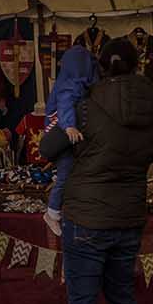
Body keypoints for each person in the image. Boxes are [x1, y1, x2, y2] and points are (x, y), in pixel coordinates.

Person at [39, 37, 153, 304]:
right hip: (130, 214)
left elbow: (48, 148)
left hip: (87, 217)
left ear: (100, 67)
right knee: (122, 298)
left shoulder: (84, 104)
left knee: (83, 301)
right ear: (136, 65)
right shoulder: (152, 101)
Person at [40, 44, 97, 236]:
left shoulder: (76, 82)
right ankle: (52, 213)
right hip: (62, 134)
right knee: (65, 173)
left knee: (71, 173)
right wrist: (69, 126)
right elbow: (65, 106)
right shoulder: (69, 84)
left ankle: (63, 211)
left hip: (68, 135)